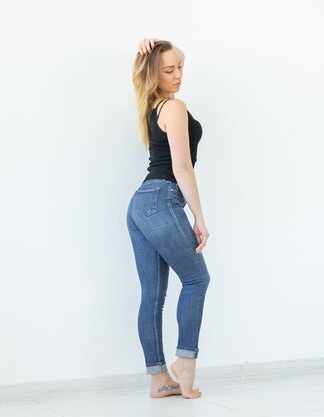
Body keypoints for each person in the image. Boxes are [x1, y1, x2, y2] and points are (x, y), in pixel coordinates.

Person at [126, 38, 211, 400]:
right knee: (196, 278)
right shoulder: (173, 107)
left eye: (180, 67)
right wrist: (199, 216)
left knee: (153, 295)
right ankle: (185, 363)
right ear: (154, 74)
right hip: (162, 197)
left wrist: (149, 45)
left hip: (139, 204)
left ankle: (159, 380)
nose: (178, 75)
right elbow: (181, 165)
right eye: (168, 70)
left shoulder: (151, 105)